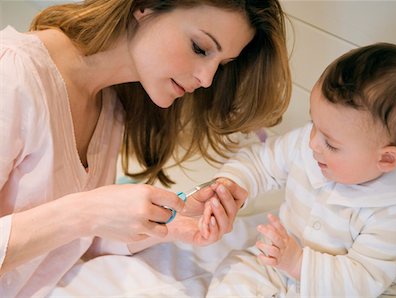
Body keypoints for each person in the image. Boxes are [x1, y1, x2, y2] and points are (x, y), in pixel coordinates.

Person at [0, 0, 291, 296]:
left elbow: (69, 244)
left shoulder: (110, 106)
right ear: (146, 5)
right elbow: (79, 220)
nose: (206, 79)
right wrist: (89, 211)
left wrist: (171, 221)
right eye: (200, 48)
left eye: (222, 64)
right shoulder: (12, 75)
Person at [203, 42, 396, 297]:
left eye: (331, 144)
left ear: (386, 159)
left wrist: (300, 263)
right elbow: (260, 163)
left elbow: (362, 280)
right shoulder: (308, 144)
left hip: (360, 290)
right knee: (234, 276)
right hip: (282, 262)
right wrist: (231, 185)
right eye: (314, 124)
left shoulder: (394, 211)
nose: (313, 143)